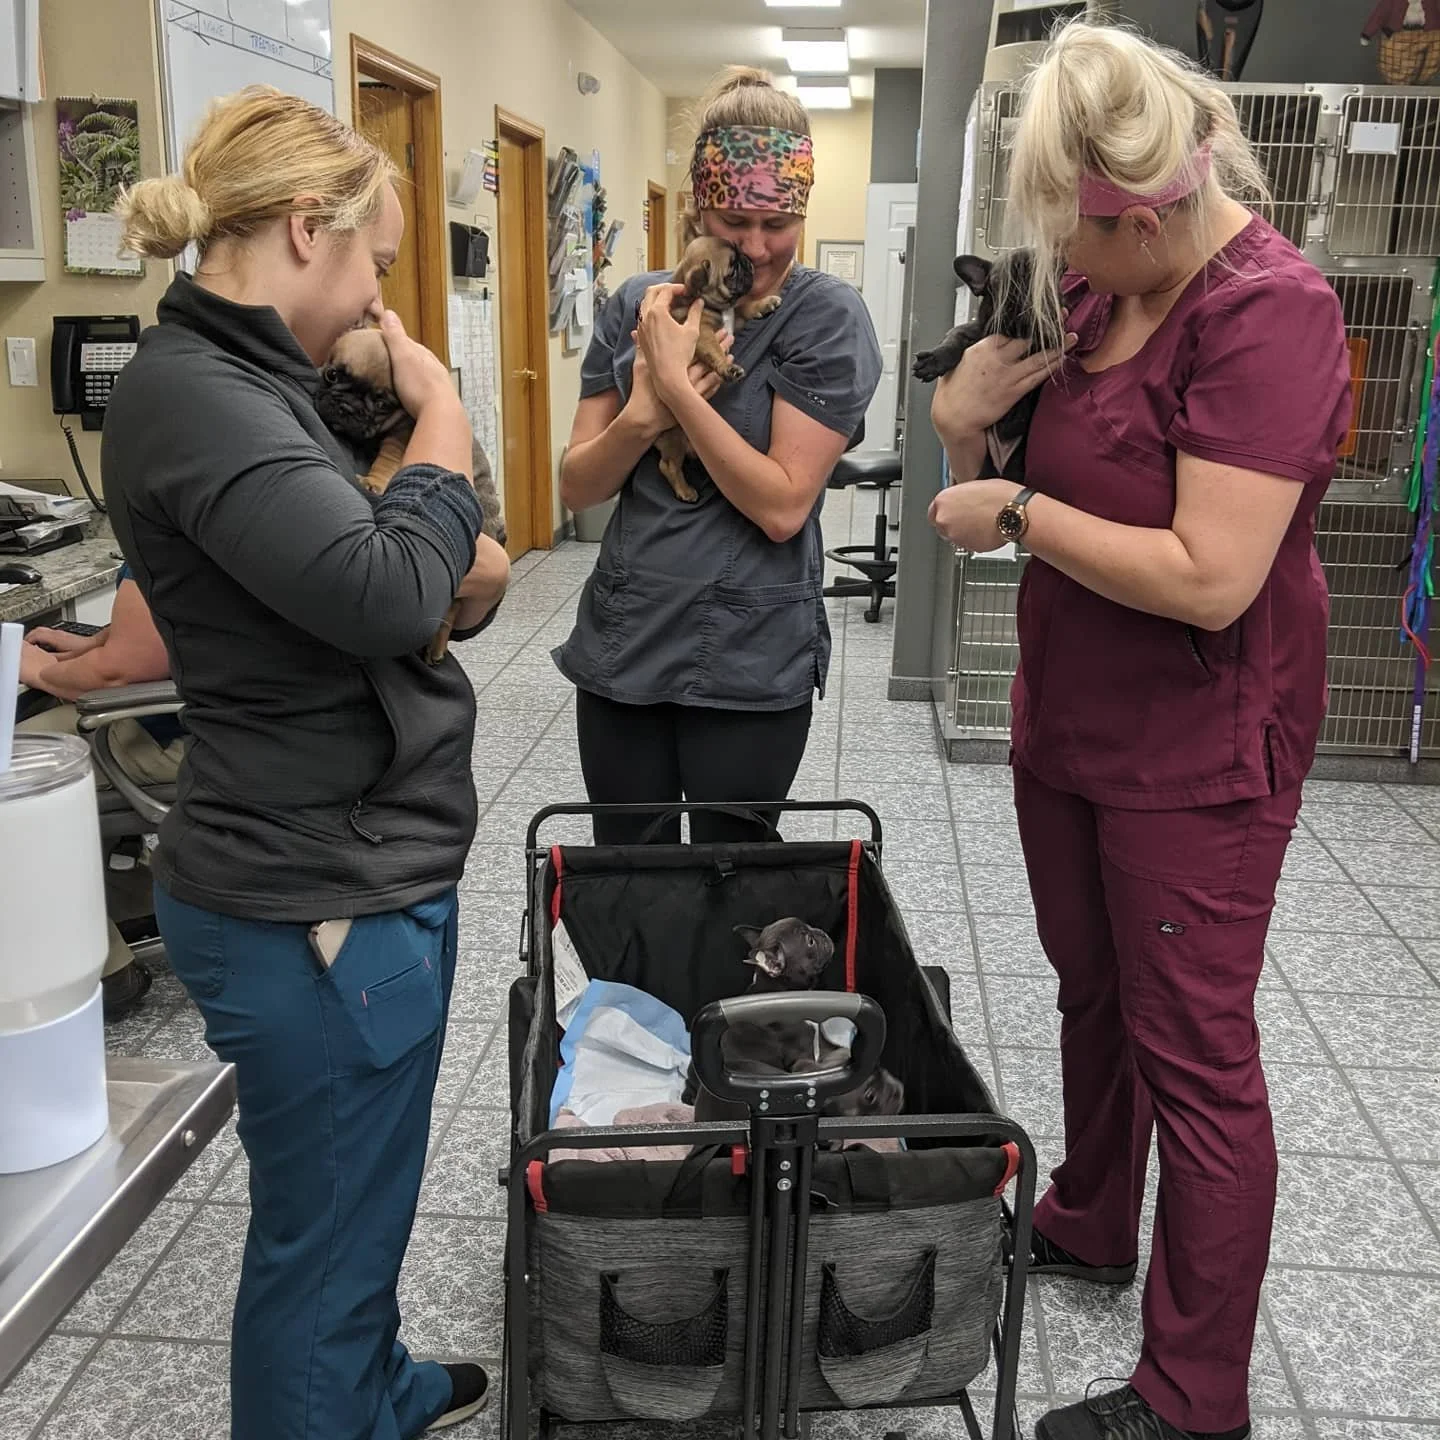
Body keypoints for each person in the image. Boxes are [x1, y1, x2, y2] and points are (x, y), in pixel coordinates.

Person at [927, 23, 1351, 1440]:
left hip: (1199, 754)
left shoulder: (1270, 314)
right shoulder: (1102, 294)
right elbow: (1002, 469)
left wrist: (1020, 514)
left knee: (1197, 1057)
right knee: (1091, 991)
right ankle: (1093, 1214)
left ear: (1154, 212)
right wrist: (962, 429)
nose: (1065, 259)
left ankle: (1194, 1395)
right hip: (1073, 722)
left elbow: (1211, 576)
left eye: (1083, 229)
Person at [104, 85, 509, 1440]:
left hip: (354, 849)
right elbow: (393, 591)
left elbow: (451, 563)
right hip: (309, 886)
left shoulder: (271, 383)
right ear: (300, 229)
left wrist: (441, 550)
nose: (380, 301)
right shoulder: (198, 397)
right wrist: (440, 403)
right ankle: (332, 1399)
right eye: (374, 264)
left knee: (361, 1210)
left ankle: (374, 1389)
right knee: (321, 1245)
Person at [553, 66, 882, 845]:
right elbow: (577, 486)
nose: (757, 247)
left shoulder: (825, 319)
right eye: (736, 220)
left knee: (731, 882)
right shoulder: (637, 306)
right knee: (626, 873)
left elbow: (782, 506)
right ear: (698, 207)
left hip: (748, 658)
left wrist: (677, 388)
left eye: (779, 222)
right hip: (626, 639)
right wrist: (641, 418)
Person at [18, 565, 179, 1019]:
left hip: (187, 735)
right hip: (252, 726)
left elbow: (116, 675)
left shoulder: (173, 523)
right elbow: (173, 614)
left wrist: (42, 670)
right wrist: (94, 645)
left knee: (18, 779)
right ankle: (134, 904)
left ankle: (105, 971)